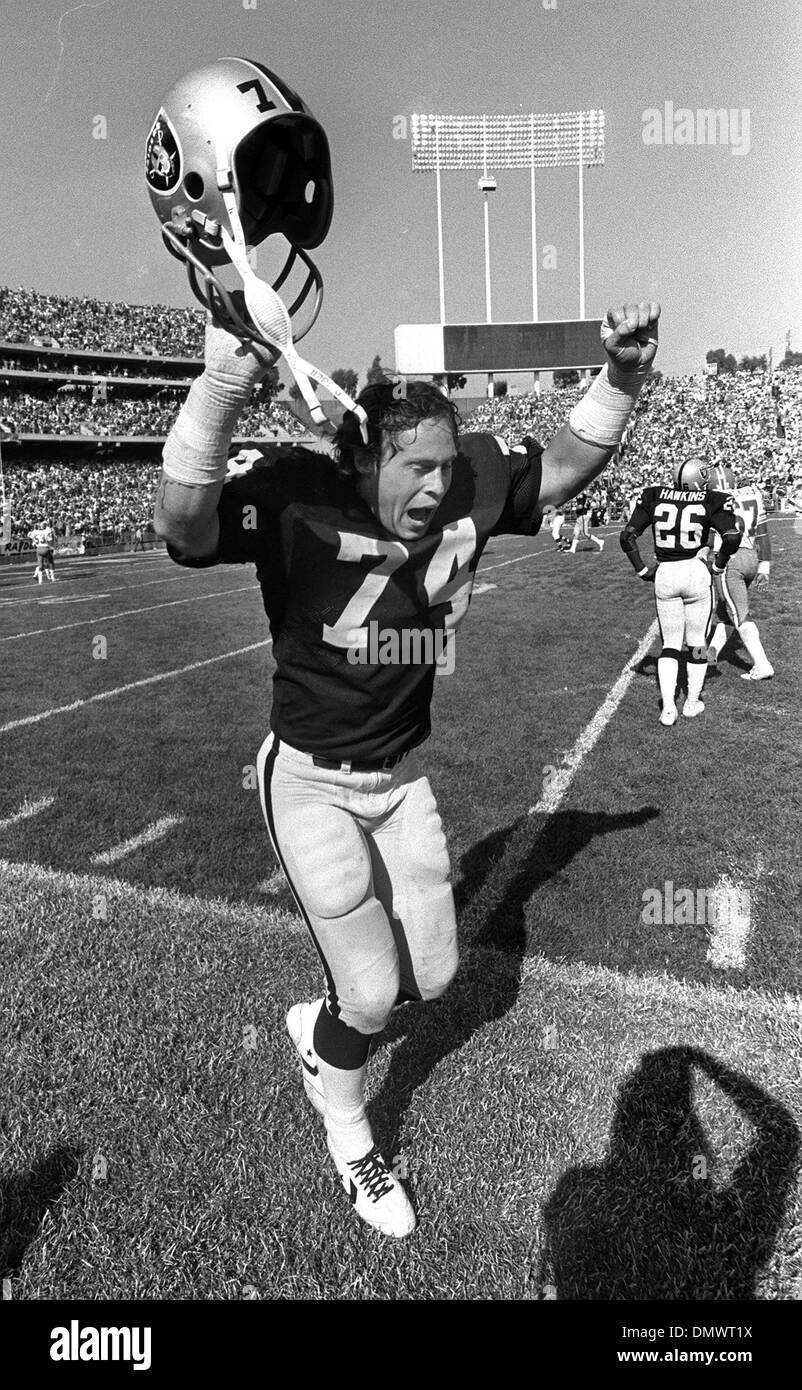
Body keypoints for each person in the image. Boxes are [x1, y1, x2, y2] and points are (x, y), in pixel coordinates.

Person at [620, 456, 741, 726]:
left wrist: (641, 570)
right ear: (697, 479)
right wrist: (719, 565)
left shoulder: (653, 495)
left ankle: (667, 708)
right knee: (697, 642)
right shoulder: (713, 499)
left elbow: (626, 536)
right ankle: (692, 701)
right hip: (695, 571)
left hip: (666, 573)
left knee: (670, 645)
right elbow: (732, 536)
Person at [705, 465, 774, 680]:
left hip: (729, 560)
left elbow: (707, 539)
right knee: (726, 614)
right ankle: (710, 655)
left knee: (740, 615)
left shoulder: (711, 500)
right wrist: (764, 566)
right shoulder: (753, 494)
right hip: (751, 558)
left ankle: (763, 665)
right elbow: (763, 533)